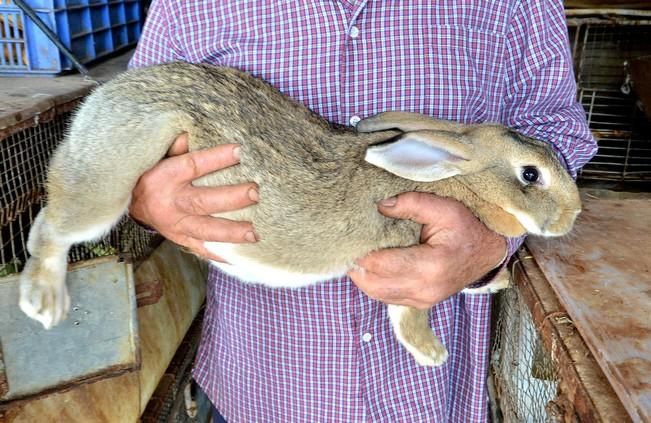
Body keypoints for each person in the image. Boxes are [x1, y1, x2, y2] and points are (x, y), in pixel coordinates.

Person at [128, 1, 597, 421]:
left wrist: (492, 244)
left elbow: (557, 128)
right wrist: (147, 198)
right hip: (266, 380)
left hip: (429, 391)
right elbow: (134, 116)